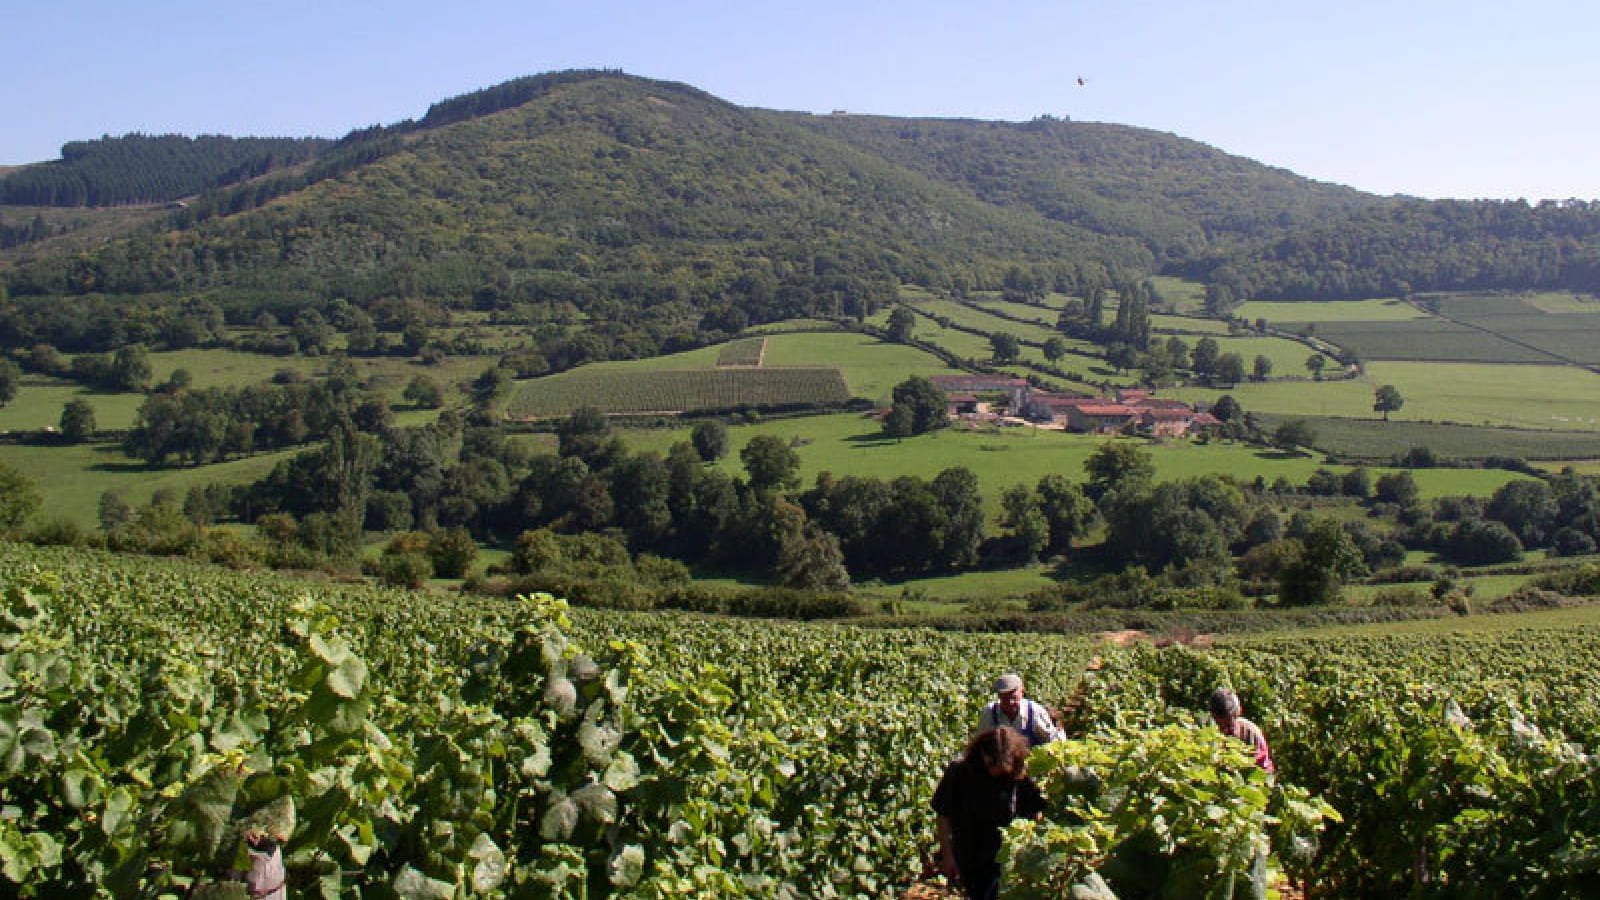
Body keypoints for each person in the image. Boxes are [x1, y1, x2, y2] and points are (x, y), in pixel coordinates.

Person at [933, 727, 1046, 900]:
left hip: (1006, 859)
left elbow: (1037, 811)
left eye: (1002, 767)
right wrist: (947, 856)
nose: (996, 771)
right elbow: (943, 814)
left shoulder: (1019, 776)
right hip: (970, 855)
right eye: (992, 764)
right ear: (983, 754)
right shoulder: (960, 772)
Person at [977, 673, 1061, 747]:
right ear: (999, 696)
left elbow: (1053, 739)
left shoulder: (1034, 711)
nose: (1010, 703)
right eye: (1005, 699)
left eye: (1014, 698)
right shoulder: (990, 712)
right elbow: (980, 742)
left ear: (1022, 692)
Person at [1208, 687, 1275, 774]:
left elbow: (1264, 768)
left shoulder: (1251, 733)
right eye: (1219, 725)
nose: (1224, 730)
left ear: (1237, 714)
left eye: (1229, 725)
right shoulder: (1206, 734)